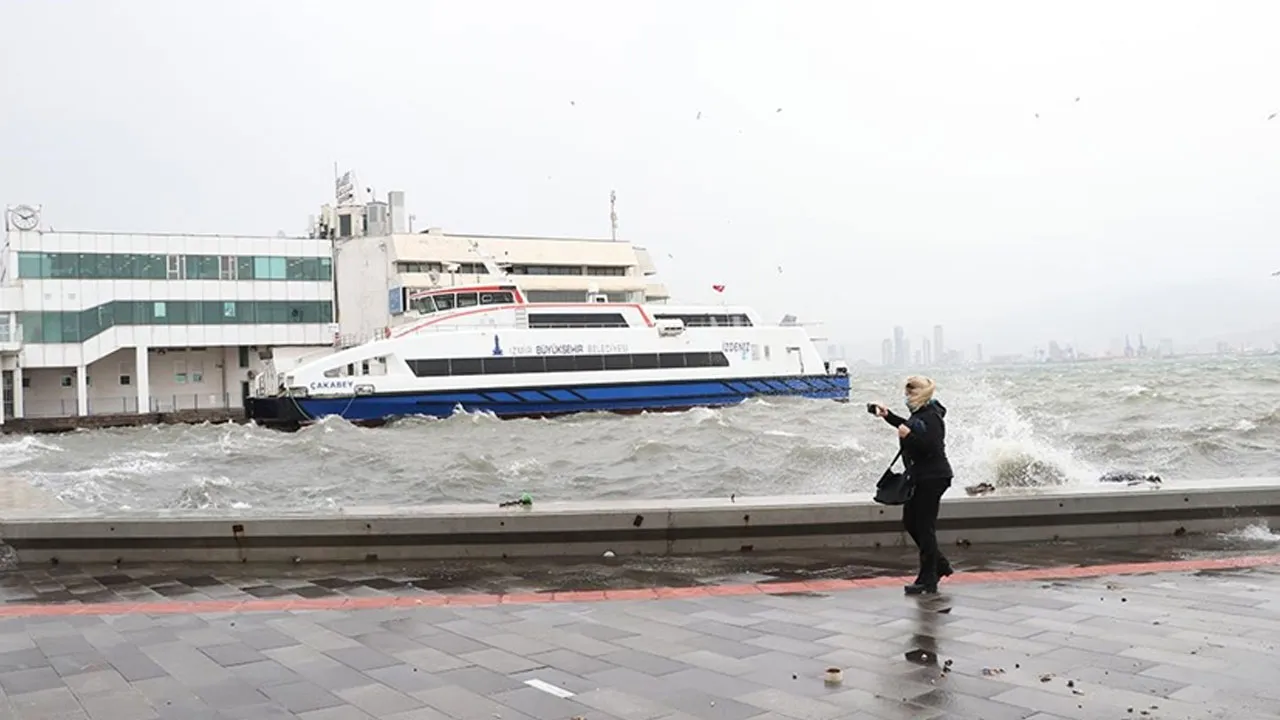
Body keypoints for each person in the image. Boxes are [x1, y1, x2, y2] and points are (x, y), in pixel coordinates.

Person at [874, 375, 954, 595]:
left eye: (910, 393)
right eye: (906, 393)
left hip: (933, 477)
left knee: (924, 527)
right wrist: (888, 416)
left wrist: (908, 437)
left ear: (921, 393)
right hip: (921, 476)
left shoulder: (932, 416)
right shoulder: (920, 414)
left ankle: (928, 578)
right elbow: (910, 427)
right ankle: (940, 565)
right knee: (911, 522)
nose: (907, 397)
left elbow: (931, 447)